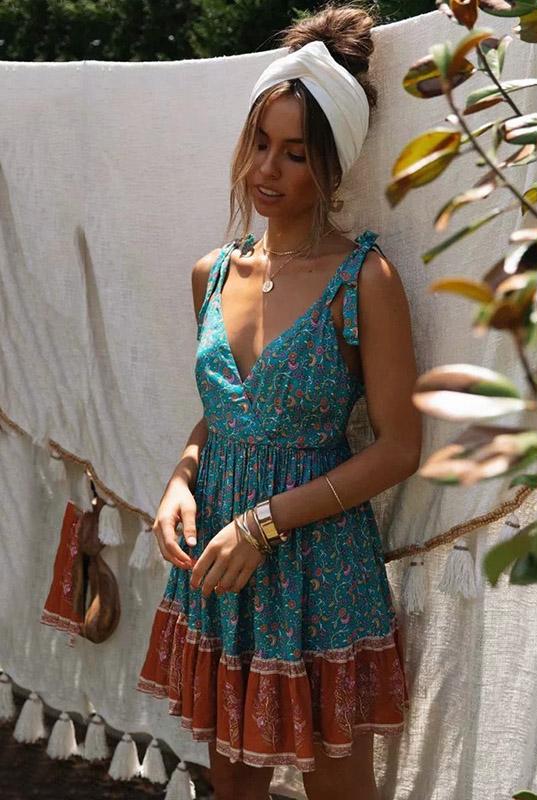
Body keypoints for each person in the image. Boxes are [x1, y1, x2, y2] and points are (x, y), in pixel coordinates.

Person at [136, 3, 422, 799]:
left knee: (339, 789)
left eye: (295, 154)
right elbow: (228, 414)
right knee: (232, 785)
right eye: (260, 142)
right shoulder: (211, 274)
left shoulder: (365, 280)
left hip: (320, 570)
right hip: (220, 563)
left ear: (333, 167)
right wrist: (180, 478)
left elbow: (400, 447)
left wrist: (262, 523)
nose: (267, 169)